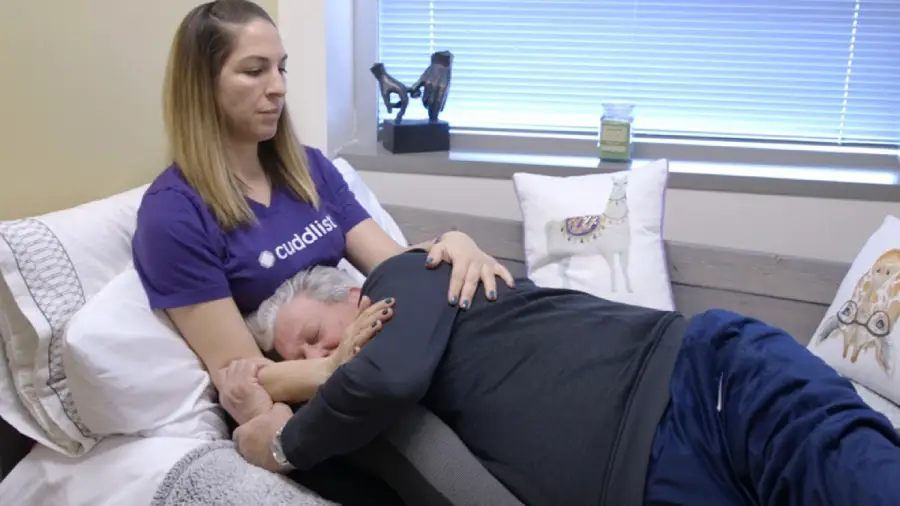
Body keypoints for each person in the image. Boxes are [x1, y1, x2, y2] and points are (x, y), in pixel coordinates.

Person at [130, 1, 513, 503]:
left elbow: (395, 264)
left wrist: (452, 242)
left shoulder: (307, 169)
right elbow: (243, 374)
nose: (279, 87)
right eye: (254, 70)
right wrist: (336, 367)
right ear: (202, 85)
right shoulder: (174, 216)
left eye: (281, 68)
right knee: (446, 464)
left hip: (379, 354)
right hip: (314, 400)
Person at [228, 251, 900, 506]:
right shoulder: (357, 427)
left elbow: (386, 377)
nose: (326, 354)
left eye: (315, 334)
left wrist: (283, 419)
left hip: (708, 386)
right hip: (658, 485)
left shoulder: (409, 274)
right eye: (300, 354)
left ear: (350, 297)